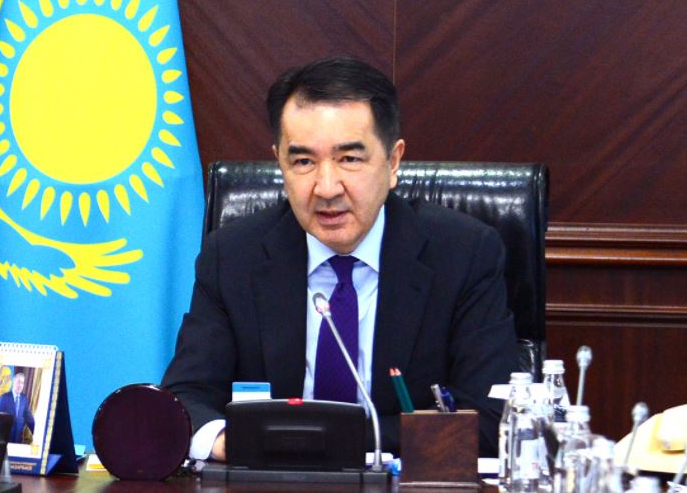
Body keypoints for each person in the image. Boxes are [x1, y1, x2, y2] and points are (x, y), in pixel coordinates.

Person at [161, 56, 517, 460]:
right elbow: (185, 398)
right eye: (303, 161)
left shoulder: (463, 254)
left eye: (350, 159)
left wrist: (304, 440)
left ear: (393, 162)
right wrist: (234, 443)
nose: (326, 187)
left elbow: (491, 419)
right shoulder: (233, 256)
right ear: (280, 163)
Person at [0, 372, 36, 444]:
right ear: (13, 383)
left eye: (22, 383)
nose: (20, 385)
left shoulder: (24, 398)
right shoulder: (5, 397)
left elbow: (28, 417)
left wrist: (36, 432)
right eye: (18, 382)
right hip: (6, 436)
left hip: (18, 437)